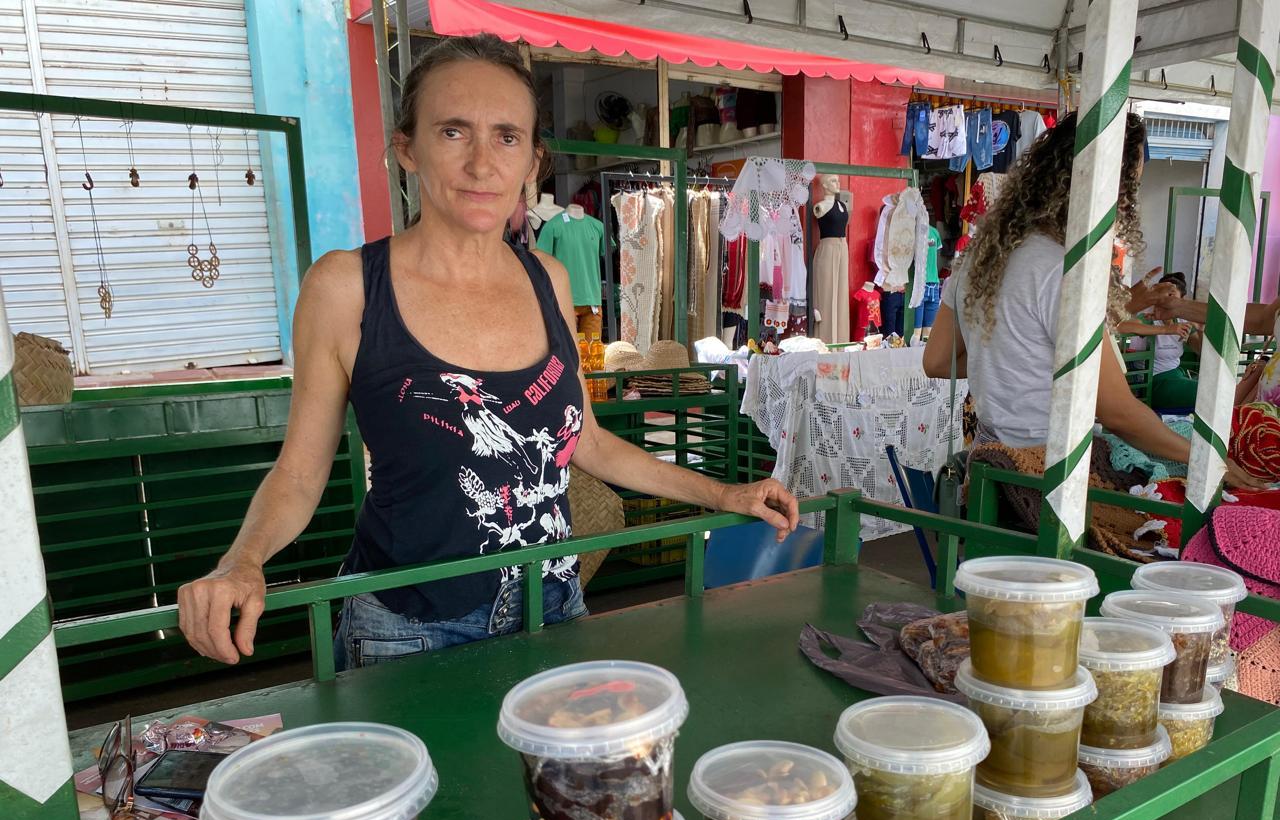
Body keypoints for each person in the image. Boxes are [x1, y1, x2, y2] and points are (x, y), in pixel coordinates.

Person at [177, 34, 799, 670]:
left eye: (506, 137)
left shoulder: (548, 279)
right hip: (408, 633)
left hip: (551, 611)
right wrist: (241, 560)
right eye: (453, 132)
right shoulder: (347, 288)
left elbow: (585, 440)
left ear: (532, 160)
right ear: (406, 148)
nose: (482, 164)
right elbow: (300, 474)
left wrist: (724, 495)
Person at [922, 112, 1260, 490]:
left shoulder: (980, 257)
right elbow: (1117, 412)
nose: (1129, 202)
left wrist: (1014, 361)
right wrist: (1207, 461)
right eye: (1131, 185)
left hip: (988, 463)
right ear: (1103, 185)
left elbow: (937, 361)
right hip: (1049, 473)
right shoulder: (1063, 271)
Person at [1113, 270, 1199, 409]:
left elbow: (1200, 349)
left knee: (1211, 388)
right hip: (1153, 382)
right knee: (1204, 394)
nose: (1166, 300)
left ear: (1182, 301)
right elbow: (1120, 327)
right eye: (1163, 294)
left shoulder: (1182, 321)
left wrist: (1200, 328)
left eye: (1172, 296)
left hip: (1176, 375)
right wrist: (1166, 330)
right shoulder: (1148, 318)